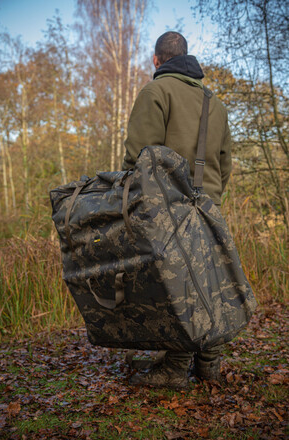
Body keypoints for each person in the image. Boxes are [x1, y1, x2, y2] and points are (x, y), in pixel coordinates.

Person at [122, 31, 232, 388]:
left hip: (169, 207)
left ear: (157, 60)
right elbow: (225, 161)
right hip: (208, 205)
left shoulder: (156, 91)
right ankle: (208, 364)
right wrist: (210, 197)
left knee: (179, 288)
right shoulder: (214, 102)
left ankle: (175, 367)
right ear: (187, 57)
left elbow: (139, 155)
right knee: (208, 285)